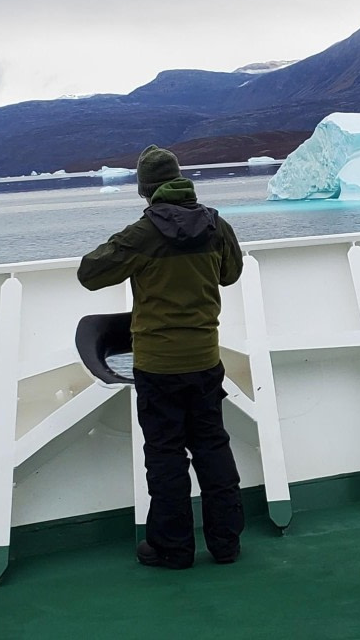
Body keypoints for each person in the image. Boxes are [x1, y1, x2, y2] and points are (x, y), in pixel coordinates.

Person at [77, 145, 245, 569]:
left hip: (158, 366)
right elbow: (231, 273)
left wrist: (135, 252)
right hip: (206, 359)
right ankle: (225, 543)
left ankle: (172, 547)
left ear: (146, 189)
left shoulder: (142, 233)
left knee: (166, 455)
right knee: (213, 447)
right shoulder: (215, 225)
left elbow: (90, 273)